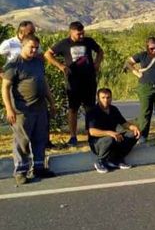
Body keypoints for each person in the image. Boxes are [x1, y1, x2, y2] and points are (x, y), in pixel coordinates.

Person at [2, 35, 56, 184]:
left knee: (40, 139)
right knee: (22, 141)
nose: (34, 50)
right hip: (22, 110)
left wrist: (51, 102)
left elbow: (43, 82)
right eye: (31, 47)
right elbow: (5, 88)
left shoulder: (38, 62)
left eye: (36, 47)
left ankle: (39, 168)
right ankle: (20, 172)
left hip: (40, 108)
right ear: (22, 47)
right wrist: (9, 109)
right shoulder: (14, 65)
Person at [45, 21, 103, 146]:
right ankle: (73, 136)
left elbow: (100, 51)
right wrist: (60, 66)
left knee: (90, 109)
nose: (81, 36)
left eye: (83, 33)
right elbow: (47, 54)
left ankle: (91, 135)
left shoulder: (89, 41)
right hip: (73, 81)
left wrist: (97, 63)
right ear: (71, 32)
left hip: (89, 80)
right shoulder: (64, 44)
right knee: (73, 109)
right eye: (78, 34)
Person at [1, 21, 54, 149]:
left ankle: (40, 156)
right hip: (16, 87)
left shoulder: (34, 44)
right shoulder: (9, 44)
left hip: (35, 89)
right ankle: (22, 162)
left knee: (39, 125)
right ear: (21, 32)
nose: (33, 34)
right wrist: (4, 74)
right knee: (22, 125)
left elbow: (40, 57)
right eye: (30, 32)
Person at [87, 88, 141, 173]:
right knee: (110, 138)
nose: (106, 100)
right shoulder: (92, 111)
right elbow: (92, 131)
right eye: (103, 97)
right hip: (98, 142)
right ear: (98, 98)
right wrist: (109, 133)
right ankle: (100, 161)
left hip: (113, 138)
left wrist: (133, 127)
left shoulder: (113, 109)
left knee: (132, 134)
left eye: (108, 97)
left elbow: (123, 123)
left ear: (111, 98)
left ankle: (116, 160)